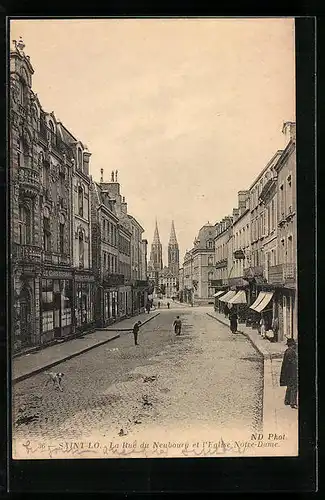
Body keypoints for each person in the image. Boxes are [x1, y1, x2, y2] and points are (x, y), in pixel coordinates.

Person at [280, 338, 298, 408]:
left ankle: (287, 400)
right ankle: (293, 403)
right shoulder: (291, 352)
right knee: (294, 386)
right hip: (292, 371)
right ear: (292, 345)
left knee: (289, 386)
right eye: (294, 345)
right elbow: (293, 364)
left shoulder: (287, 351)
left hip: (287, 371)